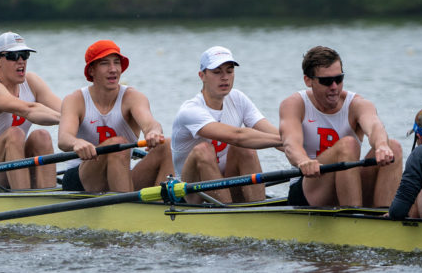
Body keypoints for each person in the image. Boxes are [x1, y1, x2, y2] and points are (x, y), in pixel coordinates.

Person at [279, 45, 401, 207]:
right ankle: (352, 217)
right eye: (326, 81)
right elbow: (290, 144)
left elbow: (374, 127)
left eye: (339, 79)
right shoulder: (294, 104)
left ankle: (385, 217)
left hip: (348, 184)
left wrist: (382, 146)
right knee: (348, 144)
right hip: (310, 187)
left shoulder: (357, 104)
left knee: (394, 146)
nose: (334, 87)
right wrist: (303, 161)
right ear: (308, 80)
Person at [170, 46, 282, 203]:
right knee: (204, 149)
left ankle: (258, 209)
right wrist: (286, 140)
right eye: (217, 72)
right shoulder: (190, 110)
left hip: (226, 185)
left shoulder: (238, 99)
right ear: (202, 76)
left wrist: (303, 153)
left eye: (229, 71)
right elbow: (237, 136)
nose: (225, 77)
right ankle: (229, 214)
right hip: (192, 193)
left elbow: (274, 135)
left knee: (245, 149)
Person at [58, 40, 172, 192]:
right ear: (91, 70)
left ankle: (159, 207)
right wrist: (76, 142)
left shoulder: (133, 97)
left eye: (116, 63)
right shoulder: (75, 100)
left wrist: (154, 133)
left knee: (168, 145)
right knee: (117, 144)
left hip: (121, 174)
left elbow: (150, 124)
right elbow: (64, 138)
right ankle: (127, 209)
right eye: (105, 63)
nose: (113, 69)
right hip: (82, 178)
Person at [0, 32, 62, 189]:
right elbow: (29, 109)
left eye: (24, 55)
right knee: (15, 133)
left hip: (13, 166)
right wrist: (65, 120)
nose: (21, 61)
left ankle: (48, 196)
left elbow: (65, 110)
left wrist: (80, 120)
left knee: (42, 136)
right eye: (13, 56)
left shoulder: (31, 82)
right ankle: (22, 199)